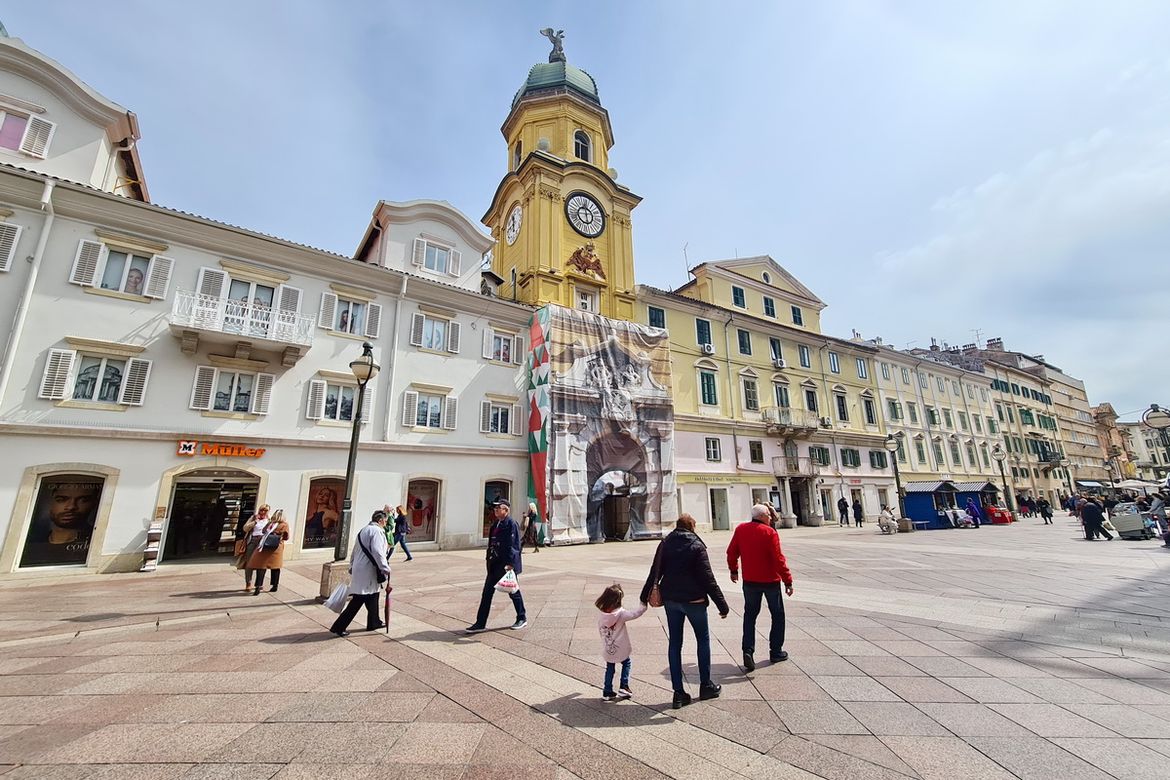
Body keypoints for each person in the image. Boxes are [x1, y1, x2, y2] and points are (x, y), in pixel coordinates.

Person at [641, 514, 729, 710]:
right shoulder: (697, 545)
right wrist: (722, 605)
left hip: (671, 600)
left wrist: (643, 596)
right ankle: (706, 686)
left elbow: (655, 571)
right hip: (694, 600)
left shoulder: (665, 543)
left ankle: (678, 693)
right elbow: (708, 578)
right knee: (702, 640)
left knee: (675, 643)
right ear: (692, 527)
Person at [726, 505, 794, 673]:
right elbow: (778, 559)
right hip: (770, 581)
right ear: (763, 516)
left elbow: (731, 552)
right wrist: (787, 580)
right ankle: (776, 651)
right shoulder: (770, 532)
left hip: (750, 581)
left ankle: (748, 650)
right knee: (777, 615)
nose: (770, 518)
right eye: (768, 515)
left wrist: (734, 570)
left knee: (750, 616)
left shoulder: (741, 529)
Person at [466, 500, 527, 632]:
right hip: (494, 564)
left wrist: (511, 563)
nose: (496, 510)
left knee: (513, 591)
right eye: (495, 508)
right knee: (486, 594)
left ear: (506, 510)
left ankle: (521, 617)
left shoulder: (511, 524)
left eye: (498, 508)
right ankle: (480, 623)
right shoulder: (495, 524)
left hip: (505, 565)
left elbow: (514, 545)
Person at [330, 510, 391, 636]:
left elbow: (355, 550)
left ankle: (374, 621)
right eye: (385, 520)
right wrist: (385, 567)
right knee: (359, 598)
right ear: (380, 520)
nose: (386, 523)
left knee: (373, 595)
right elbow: (378, 551)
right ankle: (339, 626)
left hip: (361, 567)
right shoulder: (376, 531)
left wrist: (352, 564)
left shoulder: (364, 530)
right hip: (368, 569)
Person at [595, 583, 647, 701]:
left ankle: (607, 691)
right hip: (620, 647)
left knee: (610, 668)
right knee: (627, 662)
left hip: (608, 648)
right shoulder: (621, 614)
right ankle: (624, 686)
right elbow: (635, 613)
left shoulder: (603, 615)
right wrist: (643, 605)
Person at [246, 508, 290, 594]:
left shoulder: (270, 523)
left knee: (261, 567)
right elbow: (286, 537)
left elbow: (263, 531)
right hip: (276, 548)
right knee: (275, 567)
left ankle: (258, 586)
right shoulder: (284, 525)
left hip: (265, 546)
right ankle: (274, 585)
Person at [237, 504, 271, 593]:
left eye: (265, 511)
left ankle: (259, 583)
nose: (263, 512)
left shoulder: (269, 520)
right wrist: (255, 522)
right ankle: (248, 583)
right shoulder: (253, 518)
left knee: (262, 564)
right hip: (253, 541)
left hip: (263, 542)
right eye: (261, 510)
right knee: (249, 562)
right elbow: (245, 528)